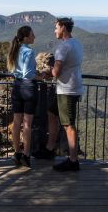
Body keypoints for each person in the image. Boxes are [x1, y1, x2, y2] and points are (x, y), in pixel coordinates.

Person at [34, 17, 83, 171]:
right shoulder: (77, 43)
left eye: (56, 27)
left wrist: (45, 73)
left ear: (63, 27)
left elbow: (56, 72)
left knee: (69, 125)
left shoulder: (62, 47)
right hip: (71, 87)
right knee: (51, 112)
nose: (54, 30)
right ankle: (49, 149)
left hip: (67, 90)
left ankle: (73, 160)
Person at [7, 25, 38, 168]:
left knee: (16, 121)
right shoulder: (29, 52)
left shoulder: (15, 49)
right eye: (32, 35)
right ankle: (26, 155)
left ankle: (16, 153)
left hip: (17, 86)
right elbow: (29, 74)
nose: (34, 37)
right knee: (27, 124)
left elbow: (16, 71)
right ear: (26, 37)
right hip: (28, 87)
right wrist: (41, 76)